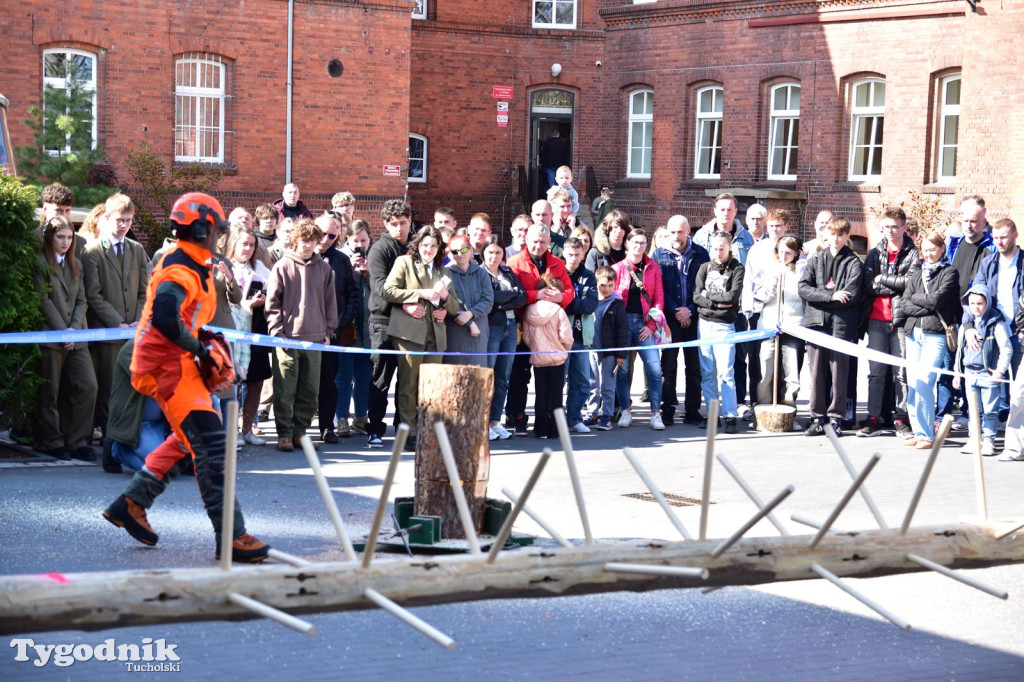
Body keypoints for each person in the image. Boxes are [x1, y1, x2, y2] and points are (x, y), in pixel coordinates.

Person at [102, 192, 269, 563]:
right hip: (167, 366)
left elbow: (185, 315)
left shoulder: (199, 261)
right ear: (201, 229)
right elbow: (165, 312)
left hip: (178, 363)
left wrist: (200, 342)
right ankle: (232, 536)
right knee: (211, 447)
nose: (220, 236)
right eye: (216, 229)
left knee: (188, 438)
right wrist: (200, 348)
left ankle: (131, 503)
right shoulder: (181, 265)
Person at [383, 226, 459, 448]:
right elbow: (388, 291)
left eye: (433, 246)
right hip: (409, 334)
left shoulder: (444, 272)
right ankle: (409, 432)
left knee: (431, 386)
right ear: (417, 246)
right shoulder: (404, 263)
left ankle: (427, 429)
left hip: (436, 334)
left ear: (439, 249)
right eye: (425, 245)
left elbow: (455, 306)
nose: (429, 250)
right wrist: (419, 294)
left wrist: (445, 302)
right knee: (409, 384)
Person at [266, 218, 337, 452]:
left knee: (309, 389)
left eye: (312, 241)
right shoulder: (282, 266)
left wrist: (328, 331)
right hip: (287, 338)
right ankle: (284, 433)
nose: (308, 245)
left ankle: (301, 432)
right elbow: (272, 303)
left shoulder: (325, 269)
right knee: (285, 388)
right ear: (295, 241)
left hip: (315, 338)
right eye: (304, 240)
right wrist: (277, 332)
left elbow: (330, 303)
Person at [82, 192, 148, 441]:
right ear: (107, 218)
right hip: (109, 334)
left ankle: (130, 437)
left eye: (129, 220)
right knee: (110, 389)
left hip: (134, 331)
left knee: (135, 388)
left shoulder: (137, 249)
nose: (124, 225)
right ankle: (111, 442)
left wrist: (139, 318)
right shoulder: (92, 251)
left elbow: (145, 290)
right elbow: (93, 294)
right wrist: (116, 322)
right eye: (120, 219)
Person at [34, 215, 98, 462]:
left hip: (76, 336)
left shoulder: (76, 264)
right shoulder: (40, 262)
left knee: (88, 387)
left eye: (70, 237)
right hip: (52, 336)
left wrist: (73, 329)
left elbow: (82, 300)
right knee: (50, 392)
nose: (66, 242)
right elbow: (43, 300)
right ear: (50, 238)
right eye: (60, 237)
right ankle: (52, 441)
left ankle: (78, 441)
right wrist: (63, 331)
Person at [506, 224, 575, 435]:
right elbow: (512, 294)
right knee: (520, 376)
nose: (538, 245)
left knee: (550, 383)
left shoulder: (557, 263)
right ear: (526, 239)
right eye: (535, 241)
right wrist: (535, 296)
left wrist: (561, 297)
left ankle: (546, 424)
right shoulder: (515, 262)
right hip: (521, 326)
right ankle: (517, 416)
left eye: (543, 242)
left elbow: (570, 290)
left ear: (549, 243)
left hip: (550, 330)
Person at [799, 217, 863, 437]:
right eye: (832, 233)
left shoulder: (854, 262)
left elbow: (852, 295)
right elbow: (804, 289)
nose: (835, 238)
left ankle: (836, 417)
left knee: (839, 374)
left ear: (846, 236)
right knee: (816, 374)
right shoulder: (815, 260)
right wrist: (831, 295)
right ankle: (817, 418)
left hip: (841, 327)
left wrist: (824, 297)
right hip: (816, 324)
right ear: (825, 234)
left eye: (840, 234)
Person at [857, 208, 919, 438]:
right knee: (876, 372)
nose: (890, 231)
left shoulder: (912, 253)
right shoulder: (875, 253)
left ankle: (901, 418)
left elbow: (910, 284)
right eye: (886, 226)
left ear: (903, 227)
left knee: (901, 373)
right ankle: (874, 417)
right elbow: (866, 285)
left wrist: (882, 278)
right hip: (876, 319)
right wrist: (893, 285)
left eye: (895, 226)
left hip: (900, 320)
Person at [901, 230, 960, 449]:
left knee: (925, 382)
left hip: (935, 335)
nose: (929, 253)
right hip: (913, 333)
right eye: (925, 249)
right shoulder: (916, 273)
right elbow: (904, 304)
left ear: (942, 249)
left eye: (933, 249)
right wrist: (924, 302)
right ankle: (917, 431)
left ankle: (927, 434)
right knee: (913, 384)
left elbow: (938, 300)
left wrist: (920, 300)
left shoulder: (950, 273)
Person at [940, 196, 995, 428]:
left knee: (975, 366)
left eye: (974, 221)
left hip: (978, 317)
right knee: (948, 366)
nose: (969, 226)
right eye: (965, 221)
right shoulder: (954, 243)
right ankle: (943, 414)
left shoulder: (991, 248)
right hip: (950, 316)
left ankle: (973, 414)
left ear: (984, 221)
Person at [653, 215, 710, 426]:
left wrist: (691, 311)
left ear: (688, 231)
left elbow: (706, 287)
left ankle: (692, 409)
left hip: (695, 317)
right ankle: (666, 408)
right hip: (670, 318)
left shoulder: (701, 253)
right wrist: (676, 311)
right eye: (672, 232)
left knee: (694, 366)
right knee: (668, 365)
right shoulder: (659, 254)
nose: (676, 236)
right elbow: (658, 287)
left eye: (680, 231)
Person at [367, 200, 414, 447]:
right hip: (383, 320)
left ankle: (403, 429)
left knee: (407, 379)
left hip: (411, 321)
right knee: (381, 377)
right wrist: (408, 300)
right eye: (393, 224)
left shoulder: (416, 245)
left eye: (403, 223)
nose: (399, 228)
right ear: (386, 224)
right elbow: (381, 287)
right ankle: (374, 428)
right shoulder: (379, 250)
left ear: (410, 219)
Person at [967, 218, 1024, 420]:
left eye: (1003, 237)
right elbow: (975, 295)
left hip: (1019, 331)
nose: (999, 242)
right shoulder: (988, 263)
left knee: (1020, 384)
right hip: (994, 329)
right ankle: (994, 428)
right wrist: (968, 326)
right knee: (993, 380)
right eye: (996, 238)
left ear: (1015, 236)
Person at [612, 228, 666, 431]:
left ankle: (655, 413)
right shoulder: (618, 268)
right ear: (627, 244)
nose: (639, 246)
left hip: (645, 325)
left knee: (654, 370)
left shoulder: (652, 267)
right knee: (623, 370)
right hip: (623, 324)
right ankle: (625, 410)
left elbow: (658, 299)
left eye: (643, 243)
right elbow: (612, 300)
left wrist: (652, 326)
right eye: (635, 242)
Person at [312, 213, 359, 444]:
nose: (327, 239)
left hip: (333, 332)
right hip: (304, 331)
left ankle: (326, 427)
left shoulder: (341, 260)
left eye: (332, 235)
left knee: (329, 381)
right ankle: (295, 428)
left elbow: (352, 294)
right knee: (303, 381)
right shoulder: (303, 257)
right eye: (323, 233)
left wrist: (340, 325)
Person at [694, 231, 744, 433]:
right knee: (708, 372)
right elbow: (696, 296)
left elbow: (732, 297)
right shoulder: (704, 268)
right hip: (704, 324)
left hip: (725, 326)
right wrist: (717, 302)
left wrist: (710, 298)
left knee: (726, 373)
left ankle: (730, 415)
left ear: (729, 247)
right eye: (714, 248)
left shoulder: (737, 268)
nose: (718, 252)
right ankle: (713, 413)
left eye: (721, 248)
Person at [226, 227, 272, 446]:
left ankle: (247, 430)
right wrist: (246, 303)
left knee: (256, 379)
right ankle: (232, 430)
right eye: (244, 244)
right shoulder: (224, 267)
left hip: (257, 326)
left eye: (252, 245)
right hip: (232, 327)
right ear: (233, 243)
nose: (247, 249)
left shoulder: (260, 268)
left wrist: (263, 298)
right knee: (233, 380)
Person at [953, 284, 1011, 456]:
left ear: (987, 303)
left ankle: (989, 440)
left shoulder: (996, 324)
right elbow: (959, 351)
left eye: (980, 303)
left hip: (988, 375)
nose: (976, 307)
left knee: (990, 411)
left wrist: (1000, 370)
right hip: (970, 374)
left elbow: (1006, 348)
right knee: (973, 410)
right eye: (972, 303)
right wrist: (957, 374)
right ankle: (974, 439)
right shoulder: (965, 326)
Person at [482, 235, 526, 440]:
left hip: (510, 328)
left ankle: (495, 421)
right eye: (490, 252)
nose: (494, 256)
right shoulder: (480, 273)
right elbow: (489, 300)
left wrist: (502, 302)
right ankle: (483, 423)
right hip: (492, 328)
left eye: (498, 252)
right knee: (488, 376)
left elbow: (522, 296)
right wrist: (508, 298)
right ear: (483, 253)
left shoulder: (507, 272)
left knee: (502, 378)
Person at [754, 235, 804, 406]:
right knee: (766, 371)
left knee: (791, 374)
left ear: (796, 253)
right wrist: (772, 284)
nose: (784, 256)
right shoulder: (768, 269)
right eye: (781, 251)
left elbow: (805, 296)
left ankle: (788, 410)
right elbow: (759, 297)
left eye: (788, 253)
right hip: (769, 325)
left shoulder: (802, 271)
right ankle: (764, 408)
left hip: (793, 326)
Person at [522, 272, 574, 438]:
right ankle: (555, 429)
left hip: (538, 358)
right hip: (557, 358)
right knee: (557, 395)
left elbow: (527, 337)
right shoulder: (558, 310)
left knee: (541, 394)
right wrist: (564, 348)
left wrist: (536, 348)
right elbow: (566, 335)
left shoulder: (529, 311)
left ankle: (540, 429)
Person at [336, 218, 373, 437]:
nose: (360, 244)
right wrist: (351, 271)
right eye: (355, 240)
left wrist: (369, 275)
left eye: (364, 240)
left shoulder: (375, 259)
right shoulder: (341, 259)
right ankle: (341, 417)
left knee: (364, 374)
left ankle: (361, 417)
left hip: (368, 325)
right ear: (348, 239)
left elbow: (383, 290)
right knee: (343, 375)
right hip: (346, 324)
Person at [562, 237, 598, 432]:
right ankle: (556, 418)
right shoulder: (558, 273)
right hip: (561, 337)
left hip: (582, 336)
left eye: (577, 254)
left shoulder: (588, 276)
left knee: (582, 381)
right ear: (564, 253)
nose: (573, 258)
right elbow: (557, 302)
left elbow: (591, 304)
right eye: (570, 254)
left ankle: (574, 418)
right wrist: (574, 302)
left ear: (583, 254)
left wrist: (569, 302)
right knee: (560, 381)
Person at [589, 267, 629, 430]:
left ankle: (606, 415)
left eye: (610, 285)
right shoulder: (590, 302)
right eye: (603, 285)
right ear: (596, 284)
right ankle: (592, 413)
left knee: (607, 385)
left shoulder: (616, 304)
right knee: (592, 384)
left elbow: (622, 330)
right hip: (591, 349)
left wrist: (621, 354)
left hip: (610, 352)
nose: (606, 289)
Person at [444, 233, 493, 366]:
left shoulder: (482, 273)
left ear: (471, 249)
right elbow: (446, 302)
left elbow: (488, 300)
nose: (460, 254)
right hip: (455, 331)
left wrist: (471, 314)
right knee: (455, 375)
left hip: (480, 330)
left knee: (478, 376)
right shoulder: (445, 274)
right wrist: (468, 323)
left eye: (464, 249)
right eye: (455, 251)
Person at [693, 193, 755, 266]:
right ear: (715, 211)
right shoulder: (701, 236)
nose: (726, 213)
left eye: (729, 210)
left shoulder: (746, 237)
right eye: (722, 210)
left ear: (735, 211)